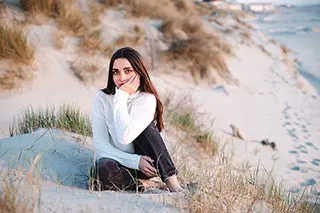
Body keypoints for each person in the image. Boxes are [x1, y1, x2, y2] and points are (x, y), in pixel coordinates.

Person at [91, 47, 182, 192]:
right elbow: (101, 146)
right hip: (120, 163)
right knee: (102, 171)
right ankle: (145, 185)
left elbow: (125, 136)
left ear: (138, 73)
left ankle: (172, 183)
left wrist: (121, 96)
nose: (121, 78)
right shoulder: (101, 99)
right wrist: (135, 162)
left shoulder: (146, 98)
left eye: (128, 71)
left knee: (146, 128)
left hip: (147, 165)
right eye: (116, 72)